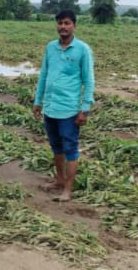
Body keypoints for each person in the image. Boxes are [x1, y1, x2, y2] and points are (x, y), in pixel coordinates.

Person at [33, 10, 94, 202]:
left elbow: (89, 81)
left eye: (67, 23)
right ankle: (59, 180)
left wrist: (84, 109)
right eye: (60, 23)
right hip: (50, 108)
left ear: (74, 25)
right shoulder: (51, 48)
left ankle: (67, 189)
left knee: (70, 149)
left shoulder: (82, 49)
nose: (63, 27)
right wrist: (38, 101)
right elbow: (44, 75)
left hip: (69, 111)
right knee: (56, 147)